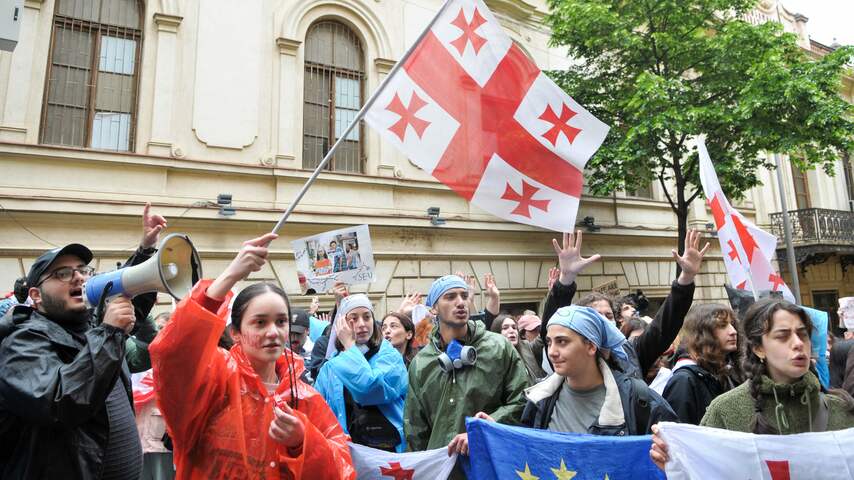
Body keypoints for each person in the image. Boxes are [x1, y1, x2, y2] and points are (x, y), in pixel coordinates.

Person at [149, 233, 355, 479]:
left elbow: (342, 469)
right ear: (235, 332)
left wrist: (303, 441)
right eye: (259, 323)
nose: (273, 332)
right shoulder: (214, 381)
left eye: (281, 321)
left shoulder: (305, 397)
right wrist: (229, 276)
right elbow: (174, 354)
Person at [0, 203, 164, 479]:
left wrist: (146, 252)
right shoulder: (20, 343)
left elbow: (127, 298)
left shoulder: (93, 327)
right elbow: (59, 401)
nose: (78, 276)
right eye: (62, 273)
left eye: (83, 270)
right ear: (36, 296)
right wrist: (110, 333)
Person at [650, 298, 854, 470]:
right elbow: (706, 470)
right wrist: (678, 459)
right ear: (759, 349)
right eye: (782, 336)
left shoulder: (842, 409)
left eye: (802, 334)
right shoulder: (725, 412)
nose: (798, 343)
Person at [541, 229, 707, 381]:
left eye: (609, 315)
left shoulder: (632, 353)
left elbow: (664, 327)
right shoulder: (568, 357)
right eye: (597, 315)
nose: (604, 320)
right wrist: (566, 279)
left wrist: (686, 278)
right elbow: (554, 326)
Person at [404, 275, 528, 474]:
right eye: (450, 297)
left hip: (490, 465)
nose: (460, 302)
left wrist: (485, 428)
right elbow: (415, 428)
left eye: (464, 295)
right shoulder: (421, 363)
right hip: (442, 470)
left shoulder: (498, 347)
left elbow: (522, 401)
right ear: (434, 308)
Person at [520, 305, 677, 435]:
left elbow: (676, 452)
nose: (552, 352)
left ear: (591, 346)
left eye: (562, 341)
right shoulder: (539, 398)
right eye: (549, 342)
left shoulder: (636, 398)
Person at [314, 294, 408, 452]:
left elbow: (369, 390)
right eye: (354, 318)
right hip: (347, 454)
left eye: (366, 317)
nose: (362, 324)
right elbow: (317, 413)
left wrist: (349, 346)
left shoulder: (390, 356)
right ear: (342, 324)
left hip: (388, 454)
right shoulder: (329, 368)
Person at [662, 304, 743, 425]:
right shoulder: (683, 381)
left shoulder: (727, 374)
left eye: (732, 324)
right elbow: (679, 436)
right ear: (702, 333)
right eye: (722, 325)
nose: (733, 331)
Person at [491, 314, 547, 385]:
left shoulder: (526, 346)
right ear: (497, 333)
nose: (511, 331)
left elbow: (543, 334)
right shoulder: (492, 359)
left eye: (514, 327)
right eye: (505, 328)